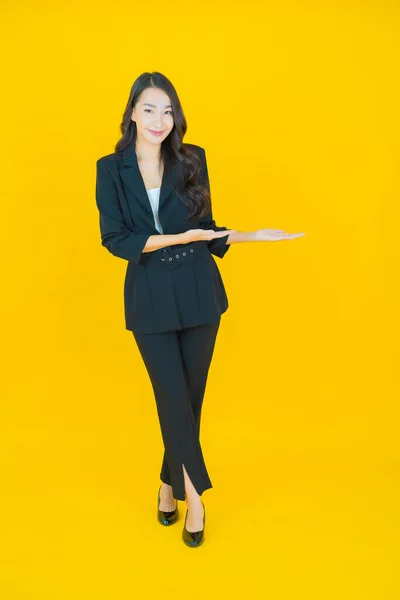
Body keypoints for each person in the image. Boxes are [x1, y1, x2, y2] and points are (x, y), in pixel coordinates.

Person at [95, 71, 304, 547]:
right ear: (131, 112)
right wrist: (177, 238)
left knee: (188, 401)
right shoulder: (111, 168)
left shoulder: (192, 159)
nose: (159, 120)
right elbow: (115, 239)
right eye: (149, 109)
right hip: (148, 298)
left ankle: (169, 486)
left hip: (198, 292)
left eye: (168, 110)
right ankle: (196, 494)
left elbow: (205, 227)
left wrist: (251, 236)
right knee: (171, 398)